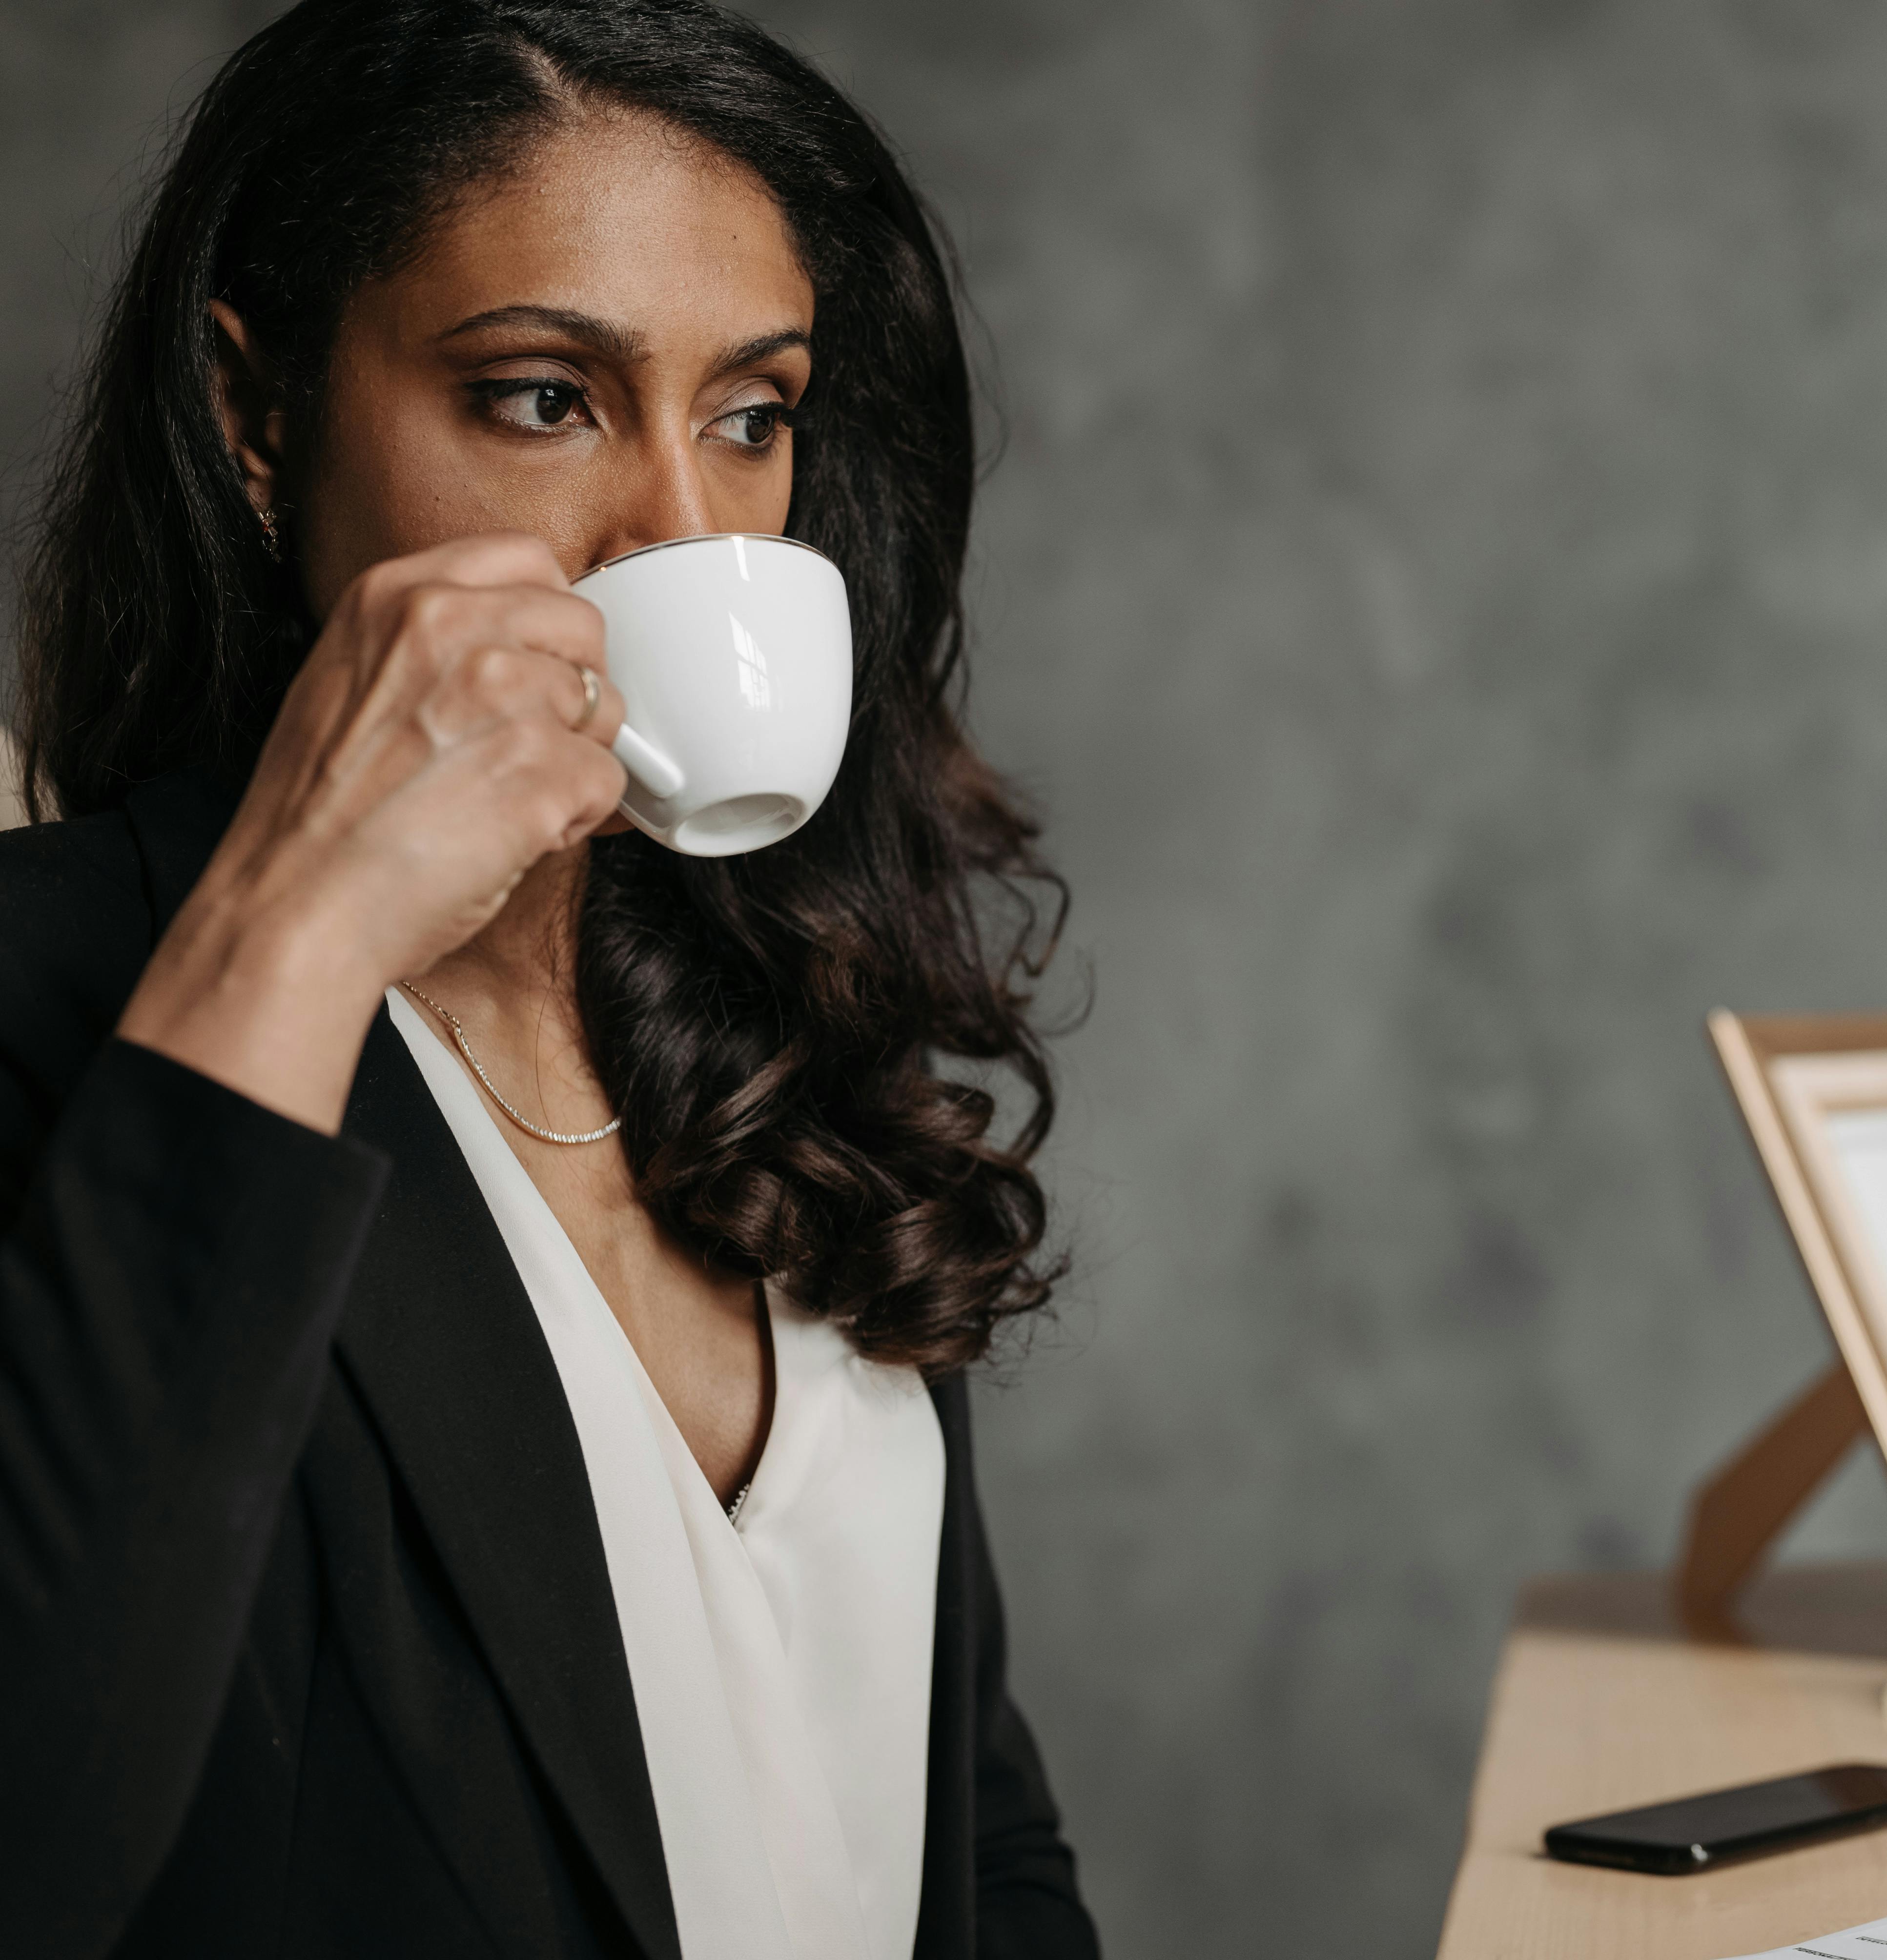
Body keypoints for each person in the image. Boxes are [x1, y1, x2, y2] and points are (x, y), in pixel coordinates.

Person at [0, 3, 1098, 1955]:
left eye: (751, 416)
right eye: (541, 398)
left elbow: (982, 1851)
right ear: (260, 422)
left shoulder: (776, 1041)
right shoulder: (60, 993)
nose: (678, 529)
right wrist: (305, 920)